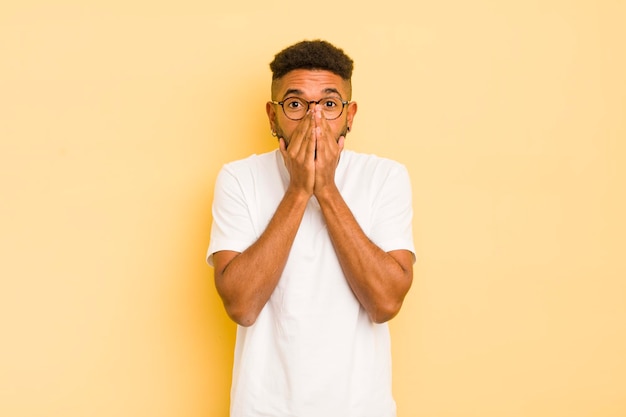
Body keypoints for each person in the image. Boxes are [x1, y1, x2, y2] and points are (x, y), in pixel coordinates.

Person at [207, 39, 415, 417]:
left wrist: (327, 189)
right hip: (263, 409)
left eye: (329, 104)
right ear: (273, 117)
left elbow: (385, 303)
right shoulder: (238, 179)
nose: (313, 120)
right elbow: (241, 305)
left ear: (350, 115)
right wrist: (300, 188)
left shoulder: (385, 177)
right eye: (296, 104)